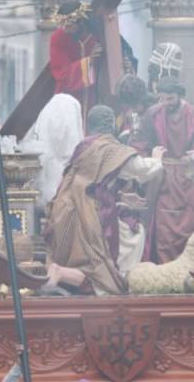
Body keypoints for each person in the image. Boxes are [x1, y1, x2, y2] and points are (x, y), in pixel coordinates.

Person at [44, 105, 165, 294]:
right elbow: (142, 169)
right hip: (90, 215)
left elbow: (93, 182)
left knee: (83, 259)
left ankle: (59, 273)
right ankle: (116, 277)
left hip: (66, 210)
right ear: (111, 124)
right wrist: (157, 159)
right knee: (111, 262)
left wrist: (120, 197)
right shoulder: (108, 149)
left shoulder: (84, 146)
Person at [131, 77, 194, 263]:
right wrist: (149, 157)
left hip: (190, 179)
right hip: (163, 181)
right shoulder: (152, 115)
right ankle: (164, 272)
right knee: (164, 231)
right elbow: (140, 142)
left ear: (180, 95)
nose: (165, 103)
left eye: (170, 99)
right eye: (162, 99)